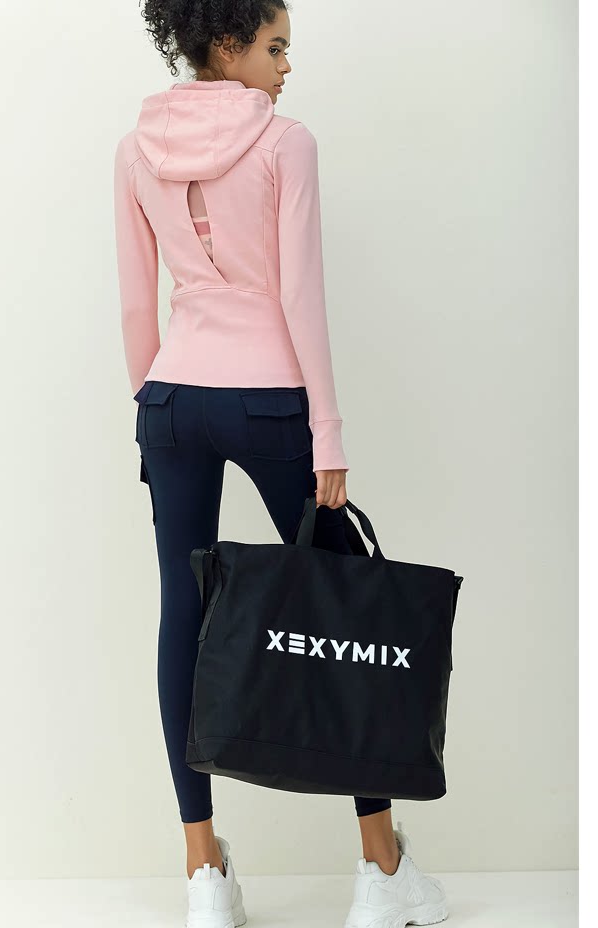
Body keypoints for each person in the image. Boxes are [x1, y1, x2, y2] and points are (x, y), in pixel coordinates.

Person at [113, 3, 449, 926]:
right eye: (275, 46)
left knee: (182, 614)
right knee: (343, 604)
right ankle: (382, 868)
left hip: (171, 402)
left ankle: (203, 877)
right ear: (227, 46)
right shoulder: (284, 142)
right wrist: (326, 431)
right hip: (268, 402)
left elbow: (137, 302)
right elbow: (301, 292)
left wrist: (153, 407)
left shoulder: (135, 148)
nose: (287, 64)